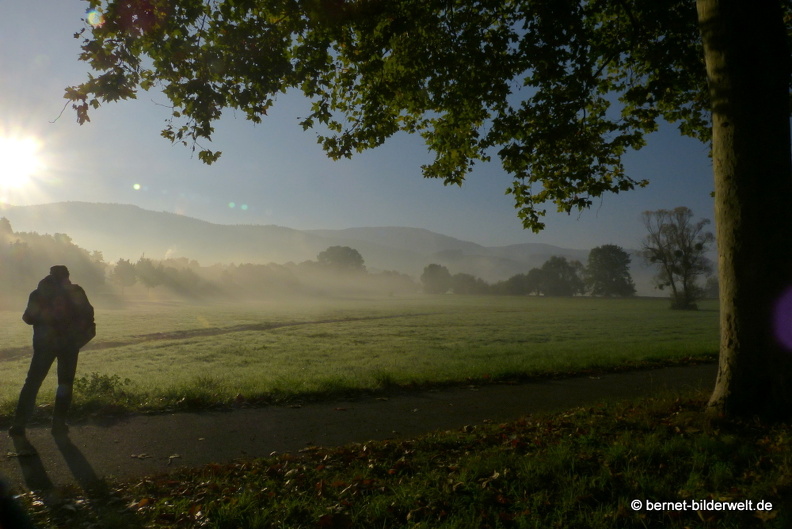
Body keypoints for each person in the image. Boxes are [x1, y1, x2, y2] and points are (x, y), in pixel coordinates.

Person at [8, 266, 95, 437]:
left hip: (44, 345)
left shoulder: (38, 293)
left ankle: (19, 425)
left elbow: (28, 318)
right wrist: (80, 337)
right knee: (65, 384)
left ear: (50, 275)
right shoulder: (76, 292)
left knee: (32, 383)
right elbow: (88, 314)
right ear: (67, 276)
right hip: (69, 346)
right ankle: (58, 425)